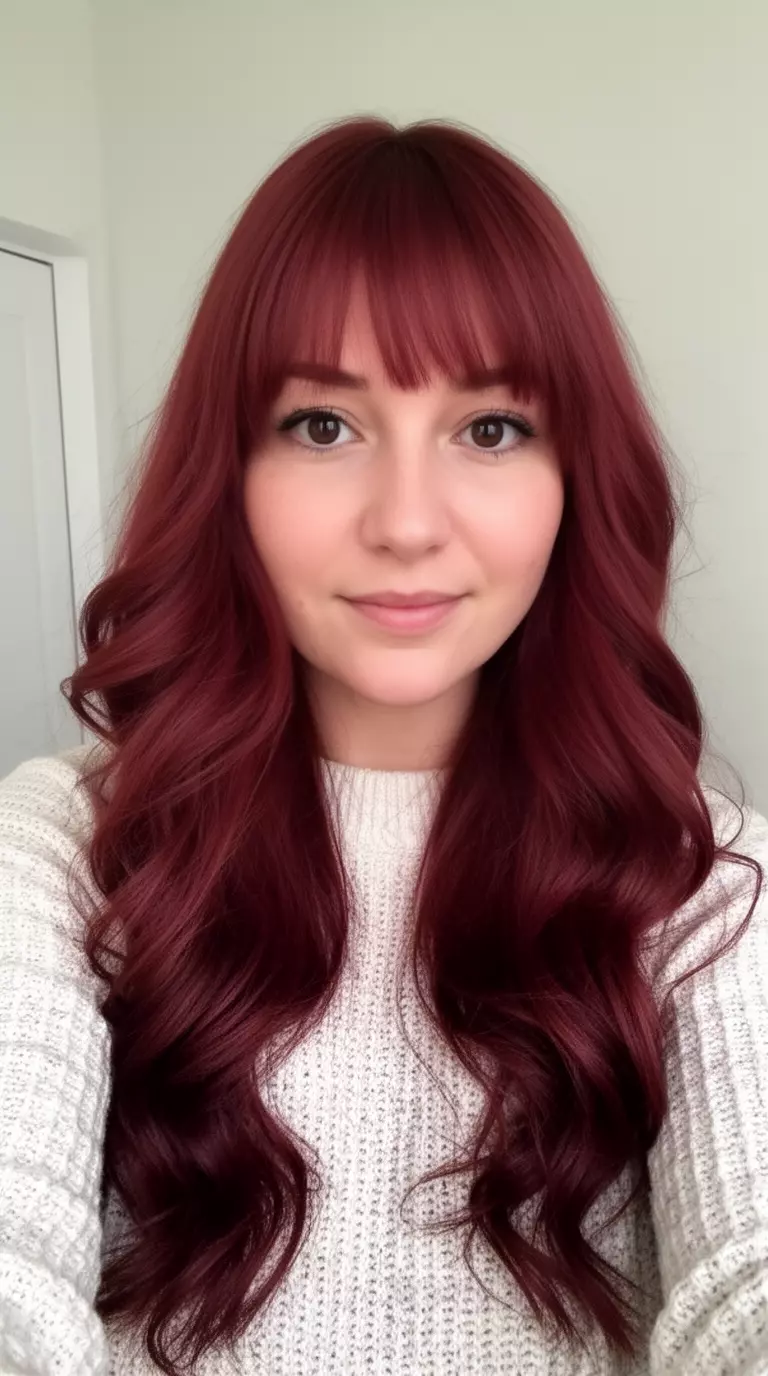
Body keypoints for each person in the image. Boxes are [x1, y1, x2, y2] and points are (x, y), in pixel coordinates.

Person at [0, 114, 766, 1376]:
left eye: (491, 428)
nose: (407, 522)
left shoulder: (703, 879)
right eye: (322, 425)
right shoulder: (70, 844)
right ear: (227, 473)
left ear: (576, 480)